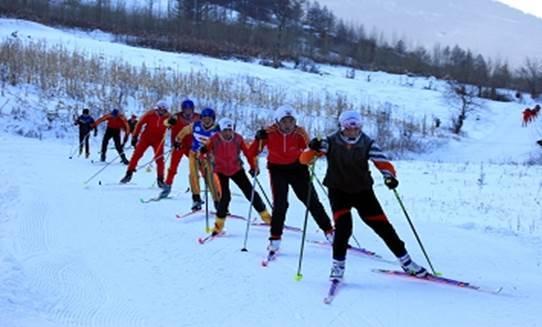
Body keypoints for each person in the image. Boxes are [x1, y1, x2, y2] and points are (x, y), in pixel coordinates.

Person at [300, 110, 428, 282]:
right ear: (342, 127)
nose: (353, 131)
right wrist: (312, 148)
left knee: (383, 227)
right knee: (343, 229)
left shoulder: (367, 143)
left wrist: (389, 177)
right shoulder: (329, 141)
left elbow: (382, 162)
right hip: (338, 191)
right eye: (348, 128)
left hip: (362, 191)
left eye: (356, 128)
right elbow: (304, 160)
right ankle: (338, 267)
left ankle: (406, 262)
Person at [249, 105, 334, 254]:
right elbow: (252, 152)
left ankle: (329, 231)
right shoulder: (269, 132)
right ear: (277, 122)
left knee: (311, 201)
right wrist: (258, 139)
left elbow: (310, 153)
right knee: (280, 204)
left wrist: (315, 148)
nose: (288, 125)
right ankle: (275, 239)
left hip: (298, 168)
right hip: (277, 170)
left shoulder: (300, 133)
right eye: (284, 121)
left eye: (291, 121)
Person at [204, 117, 271, 236]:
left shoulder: (238, 138)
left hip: (236, 169)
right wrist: (203, 151)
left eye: (230, 130)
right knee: (225, 197)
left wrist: (253, 166)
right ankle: (218, 226)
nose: (228, 133)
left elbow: (249, 153)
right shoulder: (214, 139)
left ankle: (266, 217)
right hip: (220, 171)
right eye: (225, 130)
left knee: (250, 192)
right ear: (220, 131)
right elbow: (204, 149)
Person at [174, 107, 221, 210]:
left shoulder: (217, 130)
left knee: (210, 178)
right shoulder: (196, 126)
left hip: (208, 157)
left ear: (213, 119)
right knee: (193, 175)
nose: (206, 122)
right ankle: (196, 199)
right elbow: (184, 131)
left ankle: (217, 202)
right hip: (194, 154)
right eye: (204, 119)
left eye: (209, 119)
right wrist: (178, 140)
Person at [120, 100, 170, 187]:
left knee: (159, 159)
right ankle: (128, 174)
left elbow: (176, 127)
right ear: (157, 109)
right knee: (136, 155)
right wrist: (135, 136)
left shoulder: (169, 117)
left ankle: (160, 179)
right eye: (160, 110)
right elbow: (139, 124)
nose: (161, 112)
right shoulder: (150, 114)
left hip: (158, 140)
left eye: (163, 111)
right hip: (145, 138)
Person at [158, 99, 200, 199]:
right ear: (182, 110)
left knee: (199, 166)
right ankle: (167, 187)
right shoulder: (177, 116)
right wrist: (169, 121)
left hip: (192, 146)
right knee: (173, 167)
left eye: (190, 110)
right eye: (186, 110)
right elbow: (166, 123)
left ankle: (207, 188)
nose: (188, 112)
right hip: (178, 145)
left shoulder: (198, 117)